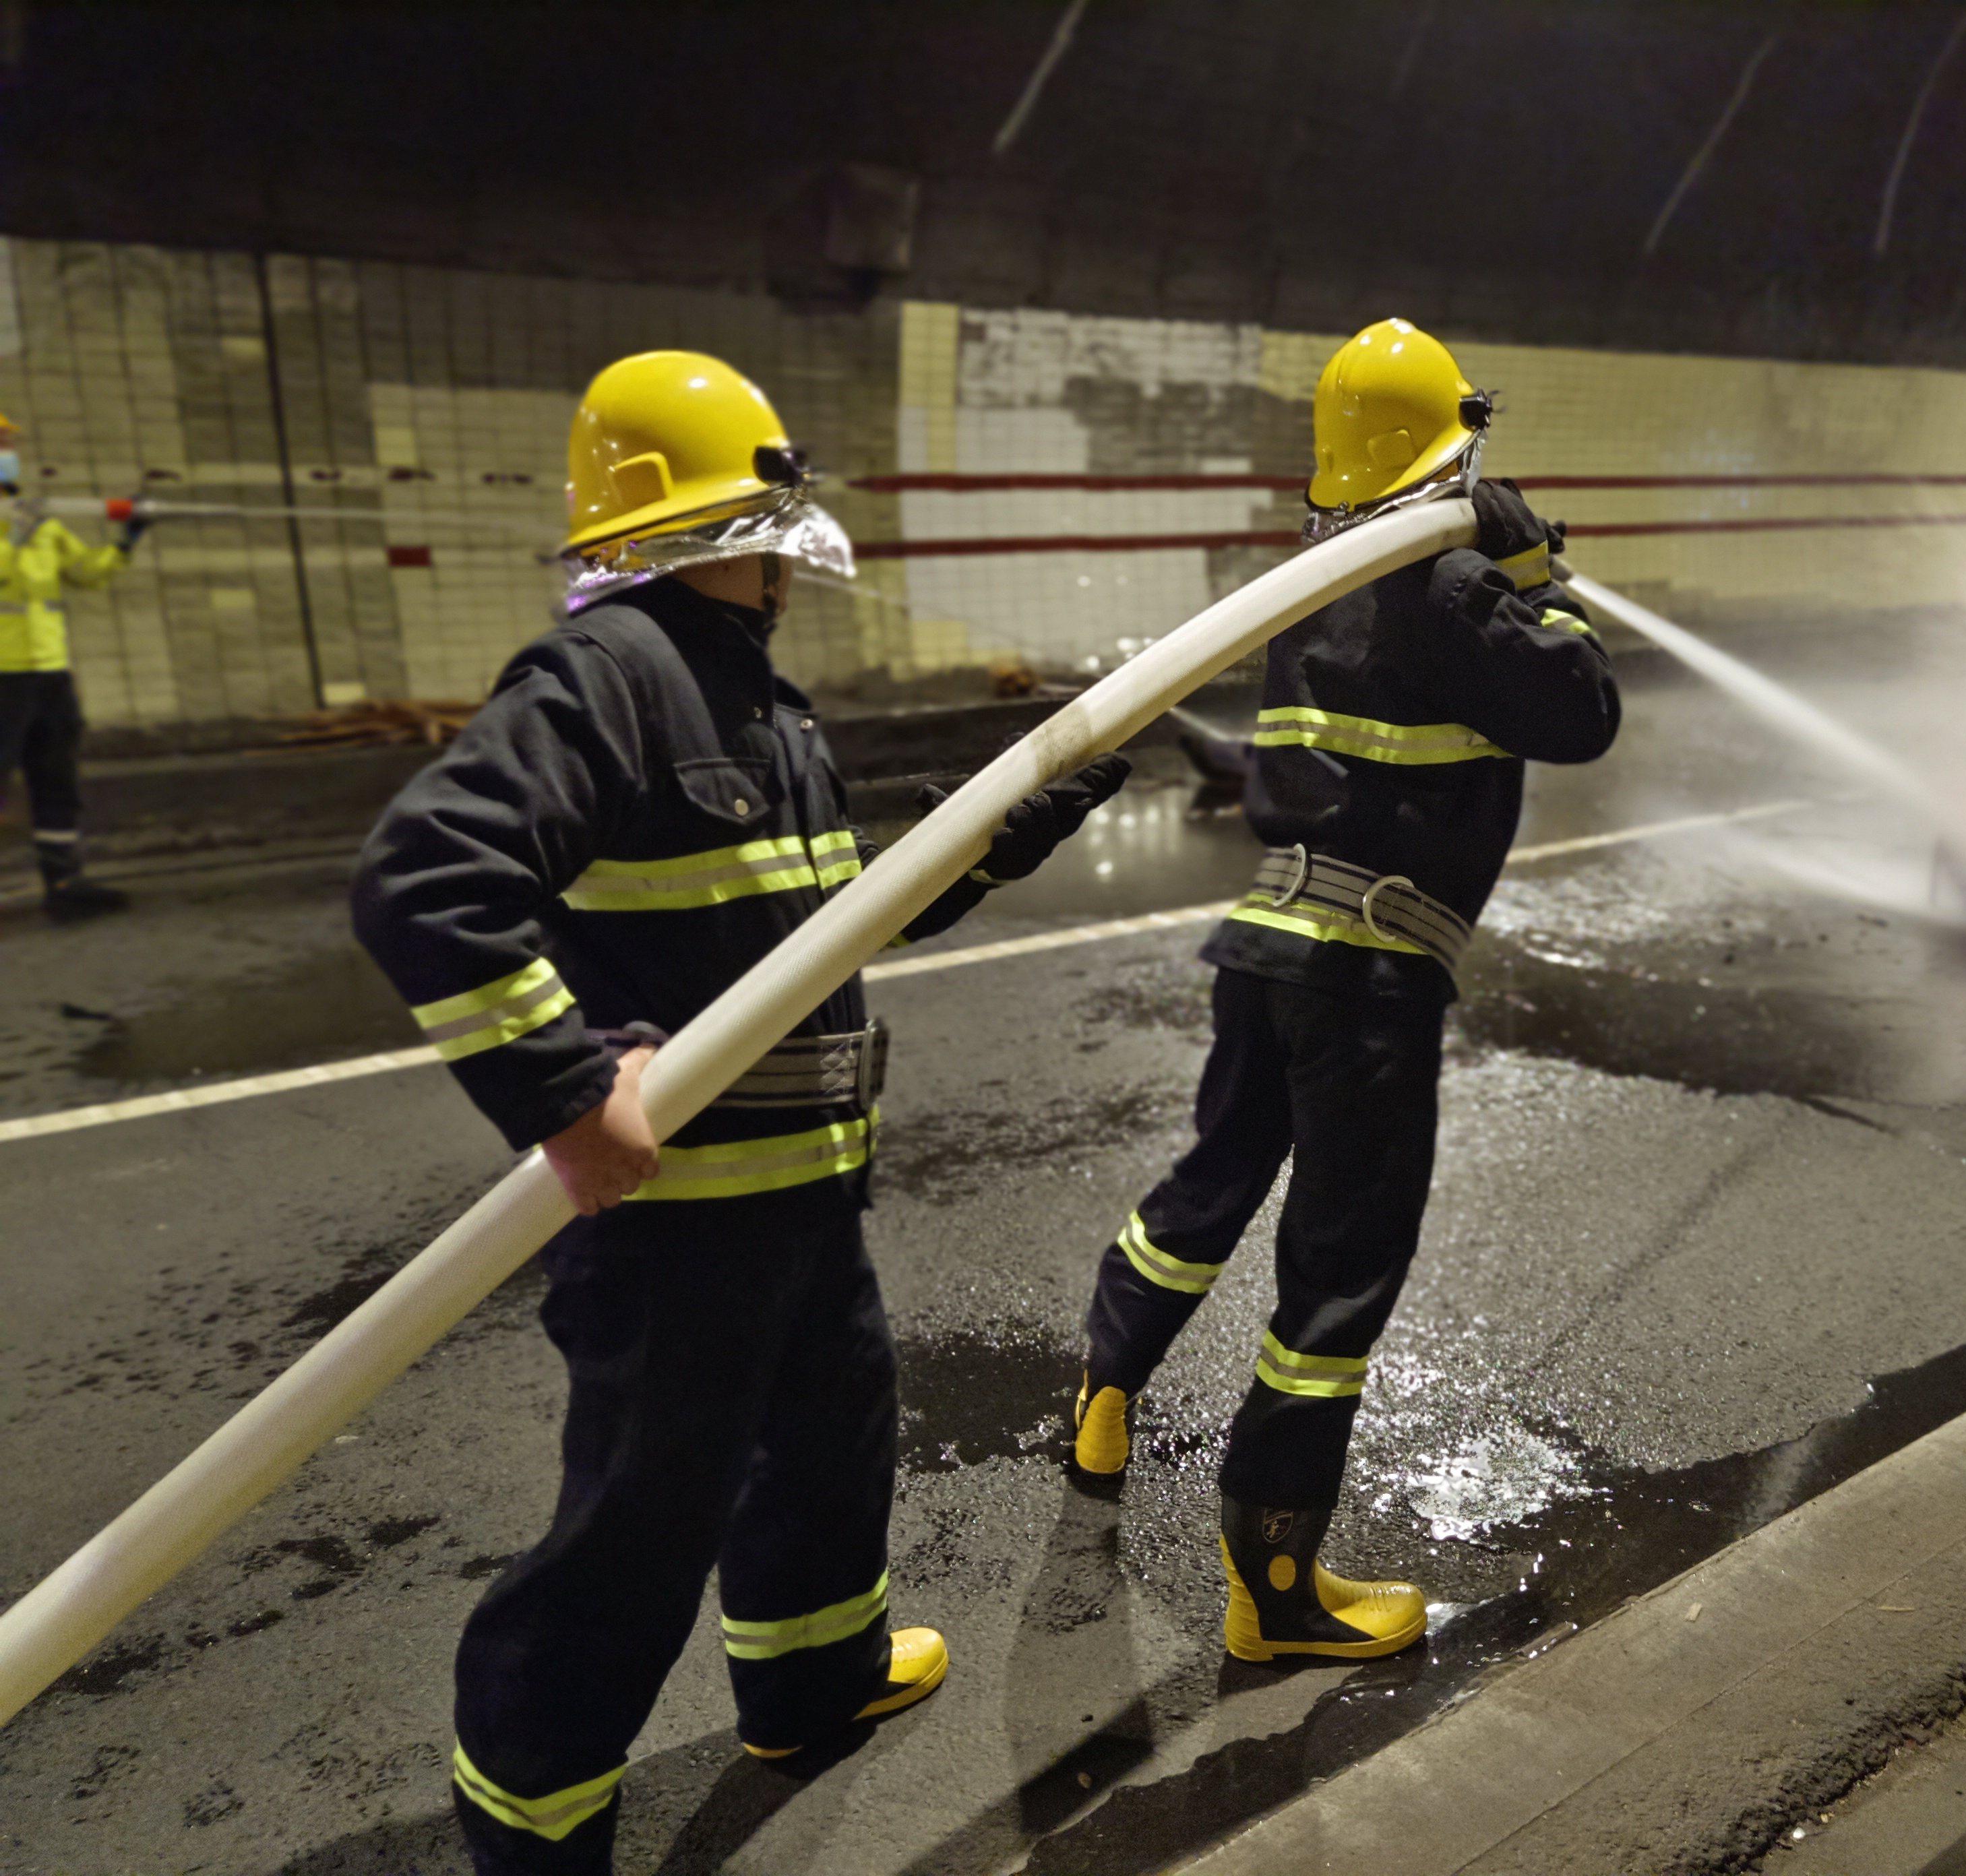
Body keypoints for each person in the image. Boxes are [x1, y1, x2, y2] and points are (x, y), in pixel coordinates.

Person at [351, 351, 1130, 1875]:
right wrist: (566, 1093)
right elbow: (425, 880)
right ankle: (532, 1815)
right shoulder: (615, 675)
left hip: (796, 1205)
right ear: (725, 521)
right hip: (677, 1229)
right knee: (636, 1537)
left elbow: (836, 924)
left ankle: (811, 1682)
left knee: (830, 1451)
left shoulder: (749, 697)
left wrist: (1029, 804)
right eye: (770, 517)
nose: (788, 549)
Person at [1068, 318, 1620, 1661]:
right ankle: (1273, 1587)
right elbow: (1583, 709)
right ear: (1456, 450)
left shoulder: (1308, 582)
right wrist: (1536, 568)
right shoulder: (1446, 594)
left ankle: (1104, 1394)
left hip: (1265, 943)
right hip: (1365, 981)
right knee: (1336, 1280)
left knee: (1209, 1184)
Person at [0, 409, 149, 918]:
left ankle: (63, 884)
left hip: (49, 672)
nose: (7, 453)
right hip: (3, 675)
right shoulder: (23, 523)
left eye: (8, 443)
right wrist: (13, 538)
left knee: (56, 776)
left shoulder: (36, 517)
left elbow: (86, 572)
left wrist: (126, 541)